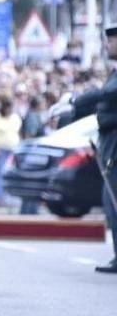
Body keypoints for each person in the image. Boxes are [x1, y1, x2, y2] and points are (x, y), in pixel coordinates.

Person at [71, 25, 117, 274]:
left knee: (114, 200)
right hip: (110, 143)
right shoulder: (113, 72)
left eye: (112, 41)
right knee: (110, 203)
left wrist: (76, 100)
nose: (108, 45)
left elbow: (107, 94)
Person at [0, 94, 21, 205]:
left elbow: (18, 133)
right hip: (0, 149)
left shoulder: (16, 117)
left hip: (13, 150)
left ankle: (10, 198)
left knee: (11, 174)